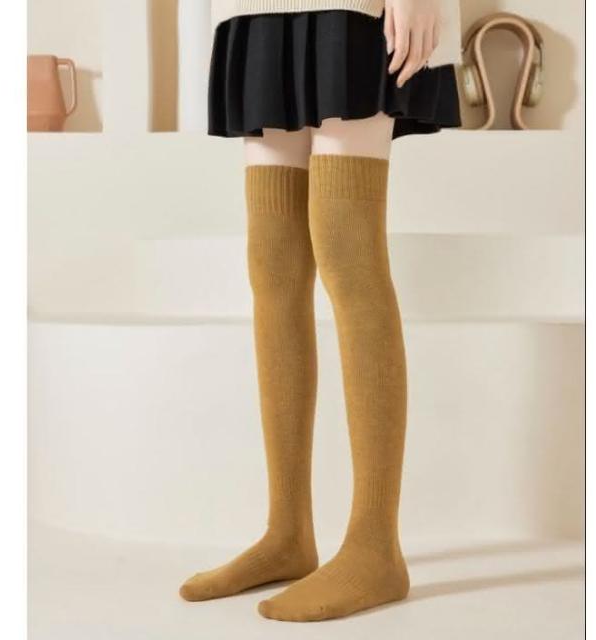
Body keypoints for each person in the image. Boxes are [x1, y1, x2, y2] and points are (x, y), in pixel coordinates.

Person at [180, 0, 462, 621]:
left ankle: (375, 547)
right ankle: (287, 532)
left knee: (348, 251)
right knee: (272, 267)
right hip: (256, 12)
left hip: (355, 10)